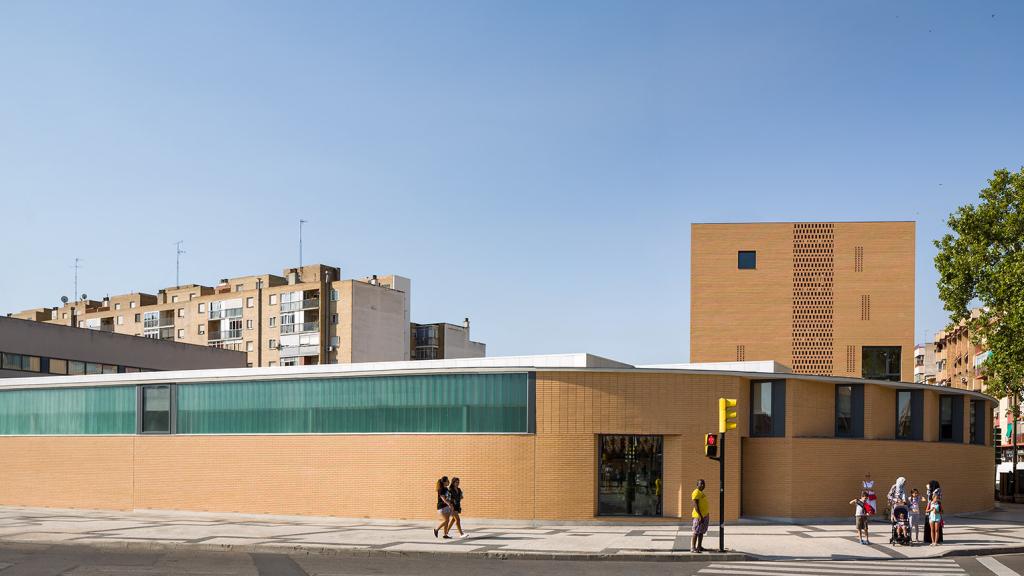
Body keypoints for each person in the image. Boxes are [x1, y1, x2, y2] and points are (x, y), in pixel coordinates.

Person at [691, 479, 709, 553]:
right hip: (698, 516)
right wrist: (700, 516)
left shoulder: (701, 492)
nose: (702, 485)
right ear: (697, 485)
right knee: (696, 531)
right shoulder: (696, 492)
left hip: (704, 515)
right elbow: (696, 506)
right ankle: (693, 548)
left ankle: (699, 546)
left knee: (701, 532)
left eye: (703, 484)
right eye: (701, 484)